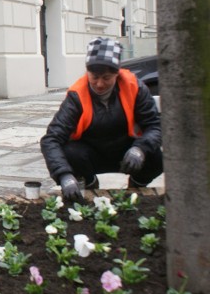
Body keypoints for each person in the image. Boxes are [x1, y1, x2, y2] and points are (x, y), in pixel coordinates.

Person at [40, 37, 163, 201]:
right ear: (87, 73)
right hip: (90, 154)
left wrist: (139, 149)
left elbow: (154, 126)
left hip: (126, 153)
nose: (99, 84)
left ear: (117, 74)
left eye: (106, 78)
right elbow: (51, 139)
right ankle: (90, 186)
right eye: (94, 76)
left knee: (155, 157)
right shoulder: (77, 96)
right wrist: (64, 176)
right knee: (70, 152)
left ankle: (135, 186)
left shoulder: (135, 87)